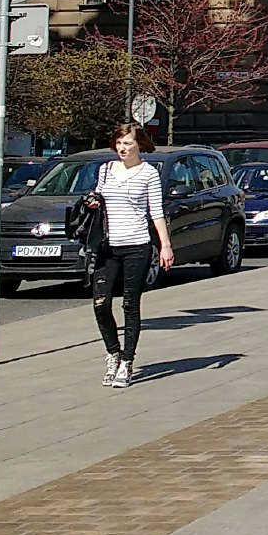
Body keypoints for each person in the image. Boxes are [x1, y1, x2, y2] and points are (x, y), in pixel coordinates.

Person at [92, 121, 173, 390]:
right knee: (100, 304)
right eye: (118, 143)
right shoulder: (105, 170)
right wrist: (93, 200)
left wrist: (165, 245)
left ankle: (127, 361)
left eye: (127, 143)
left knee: (130, 304)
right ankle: (113, 352)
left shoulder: (149, 174)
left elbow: (156, 212)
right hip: (108, 247)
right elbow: (99, 201)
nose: (122, 148)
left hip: (137, 246)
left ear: (139, 145)